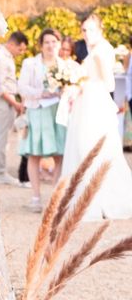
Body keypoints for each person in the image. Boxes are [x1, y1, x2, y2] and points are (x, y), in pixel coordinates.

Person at [61, 14, 132, 220]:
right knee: (82, 146)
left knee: (94, 147)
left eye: (91, 29)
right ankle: (86, 198)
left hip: (96, 102)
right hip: (86, 101)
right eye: (84, 30)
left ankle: (99, 200)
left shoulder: (102, 50)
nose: (87, 34)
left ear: (100, 29)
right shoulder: (92, 48)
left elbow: (109, 84)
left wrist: (84, 80)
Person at [18, 28, 66, 213]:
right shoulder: (30, 63)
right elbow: (22, 87)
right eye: (46, 42)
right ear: (41, 45)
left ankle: (55, 197)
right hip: (37, 111)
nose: (50, 45)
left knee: (59, 154)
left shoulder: (64, 65)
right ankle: (36, 198)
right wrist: (41, 93)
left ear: (59, 44)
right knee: (34, 154)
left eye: (54, 42)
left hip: (57, 112)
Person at [0, 31, 29, 185]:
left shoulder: (6, 56)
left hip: (7, 100)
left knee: (3, 137)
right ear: (12, 44)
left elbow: (10, 81)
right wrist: (16, 104)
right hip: (2, 101)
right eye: (20, 49)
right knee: (2, 138)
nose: (21, 53)